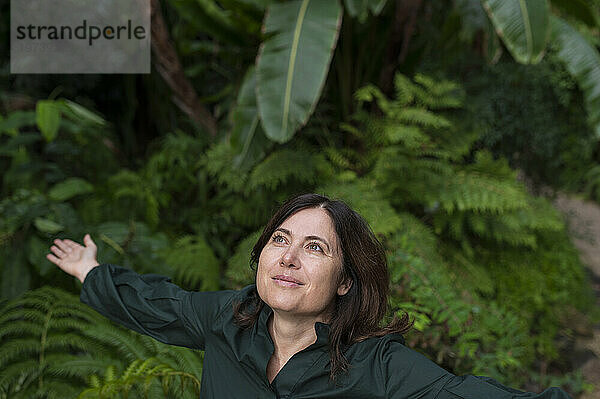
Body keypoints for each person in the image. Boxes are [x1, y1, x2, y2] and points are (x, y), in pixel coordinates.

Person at [47, 193, 573, 398]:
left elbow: (465, 396)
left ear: (345, 280)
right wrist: (90, 270)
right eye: (280, 239)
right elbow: (156, 304)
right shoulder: (226, 319)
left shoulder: (378, 366)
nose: (289, 258)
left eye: (314, 247)